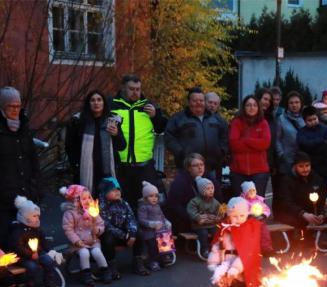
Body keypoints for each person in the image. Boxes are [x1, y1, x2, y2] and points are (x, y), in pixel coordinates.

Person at [208, 197, 267, 287]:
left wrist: (235, 268)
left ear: (247, 214)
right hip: (225, 264)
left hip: (242, 267)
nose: (238, 219)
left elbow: (248, 251)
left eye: (242, 215)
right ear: (228, 215)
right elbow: (218, 245)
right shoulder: (224, 228)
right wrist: (214, 260)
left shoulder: (249, 228)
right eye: (234, 216)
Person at [110, 74, 168, 209]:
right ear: (123, 88)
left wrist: (155, 116)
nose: (135, 92)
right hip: (121, 166)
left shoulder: (148, 106)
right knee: (122, 204)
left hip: (144, 166)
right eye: (131, 89)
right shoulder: (112, 105)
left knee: (148, 204)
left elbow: (161, 129)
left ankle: (146, 229)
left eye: (138, 89)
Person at [164, 87, 228, 199]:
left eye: (201, 100)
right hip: (187, 168)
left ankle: (210, 217)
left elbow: (225, 136)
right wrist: (180, 153)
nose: (199, 103)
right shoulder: (178, 119)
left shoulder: (216, 119)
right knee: (187, 197)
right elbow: (169, 138)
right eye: (195, 100)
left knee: (213, 198)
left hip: (211, 167)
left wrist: (222, 151)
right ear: (189, 102)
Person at [0, 86, 40, 240]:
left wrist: (37, 188)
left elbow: (33, 160)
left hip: (26, 192)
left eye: (18, 106)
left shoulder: (24, 128)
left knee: (27, 240)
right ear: (3, 107)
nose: (15, 110)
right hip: (4, 197)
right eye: (11, 106)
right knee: (7, 238)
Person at [66, 90, 126, 192]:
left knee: (108, 203)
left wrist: (116, 134)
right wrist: (75, 165)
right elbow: (70, 146)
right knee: (87, 203)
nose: (96, 103)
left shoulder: (112, 121)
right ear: (88, 104)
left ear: (104, 103)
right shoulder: (78, 122)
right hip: (85, 171)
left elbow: (122, 146)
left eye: (99, 100)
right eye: (92, 100)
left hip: (107, 170)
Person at [8, 196, 61, 287]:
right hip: (22, 256)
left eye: (38, 216)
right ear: (25, 216)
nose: (37, 219)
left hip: (37, 252)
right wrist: (30, 254)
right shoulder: (17, 231)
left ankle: (48, 283)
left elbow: (43, 241)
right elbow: (17, 247)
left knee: (48, 261)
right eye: (34, 216)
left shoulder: (37, 229)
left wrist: (51, 251)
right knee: (32, 267)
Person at [60, 184, 110, 286]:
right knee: (84, 253)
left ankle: (105, 271)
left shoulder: (92, 210)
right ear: (76, 200)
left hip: (93, 240)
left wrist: (98, 230)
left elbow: (101, 224)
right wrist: (76, 241)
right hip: (79, 243)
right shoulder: (70, 213)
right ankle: (86, 274)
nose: (87, 200)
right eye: (84, 198)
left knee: (97, 252)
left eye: (89, 198)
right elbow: (68, 229)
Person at [98, 177, 144, 277]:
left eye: (118, 189)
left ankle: (137, 262)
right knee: (107, 238)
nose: (117, 192)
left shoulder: (124, 203)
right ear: (105, 192)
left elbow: (131, 218)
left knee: (139, 233)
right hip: (113, 236)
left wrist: (131, 233)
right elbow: (106, 225)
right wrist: (125, 236)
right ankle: (111, 265)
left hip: (126, 235)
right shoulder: (100, 206)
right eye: (113, 190)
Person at [275, 153, 327, 238]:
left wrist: (322, 214)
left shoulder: (317, 178)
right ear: (295, 166)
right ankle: (298, 239)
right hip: (294, 213)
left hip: (311, 212)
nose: (305, 169)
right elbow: (286, 202)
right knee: (297, 220)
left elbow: (324, 198)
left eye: (307, 166)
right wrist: (303, 214)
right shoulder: (287, 180)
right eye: (301, 166)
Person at [229, 95, 272, 199]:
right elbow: (234, 144)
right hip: (238, 171)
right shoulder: (236, 122)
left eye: (254, 105)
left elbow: (265, 143)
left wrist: (245, 140)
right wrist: (256, 145)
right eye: (248, 105)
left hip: (259, 171)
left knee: (257, 205)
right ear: (243, 107)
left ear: (258, 107)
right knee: (240, 204)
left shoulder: (263, 123)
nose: (251, 107)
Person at [137, 181, 173, 273]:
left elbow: (162, 216)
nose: (154, 198)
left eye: (156, 196)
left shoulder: (157, 206)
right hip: (149, 232)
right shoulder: (143, 207)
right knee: (152, 246)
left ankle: (165, 256)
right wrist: (151, 224)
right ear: (145, 197)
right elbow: (141, 220)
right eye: (151, 196)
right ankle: (152, 261)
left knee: (165, 241)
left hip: (161, 230)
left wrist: (166, 221)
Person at [165, 153, 206, 234]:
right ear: (188, 168)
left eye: (202, 164)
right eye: (196, 165)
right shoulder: (180, 182)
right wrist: (194, 217)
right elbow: (175, 206)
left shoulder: (207, 180)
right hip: (184, 221)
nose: (200, 167)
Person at [296, 106, 327, 185]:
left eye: (315, 119)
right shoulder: (302, 132)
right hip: (310, 166)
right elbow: (304, 144)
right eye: (310, 120)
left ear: (318, 118)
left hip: (324, 165)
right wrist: (321, 141)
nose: (313, 121)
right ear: (305, 121)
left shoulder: (325, 129)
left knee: (323, 189)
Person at [187, 176, 223, 252]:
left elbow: (220, 211)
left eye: (212, 188)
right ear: (201, 190)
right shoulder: (195, 201)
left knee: (217, 231)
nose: (211, 190)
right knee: (203, 233)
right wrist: (197, 217)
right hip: (199, 225)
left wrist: (219, 216)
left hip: (211, 224)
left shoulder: (215, 202)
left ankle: (216, 247)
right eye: (208, 189)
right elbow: (191, 211)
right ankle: (204, 249)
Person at [275, 91, 305, 176]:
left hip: (304, 161)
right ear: (287, 104)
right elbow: (277, 139)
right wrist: (281, 155)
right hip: (287, 161)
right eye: (291, 103)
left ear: (301, 103)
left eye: (297, 102)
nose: (294, 105)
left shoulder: (306, 117)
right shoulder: (281, 119)